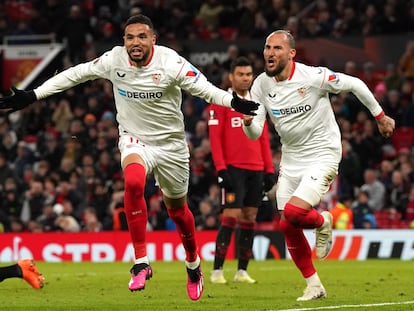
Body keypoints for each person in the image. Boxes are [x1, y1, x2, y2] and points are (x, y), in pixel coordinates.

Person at [0, 14, 259, 301]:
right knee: (134, 182)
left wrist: (233, 102)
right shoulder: (114, 60)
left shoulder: (171, 63)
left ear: (153, 39)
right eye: (129, 37)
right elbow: (76, 73)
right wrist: (34, 95)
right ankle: (141, 262)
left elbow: (207, 90)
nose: (135, 43)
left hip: (171, 147)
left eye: (141, 37)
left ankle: (193, 264)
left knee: (178, 212)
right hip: (135, 139)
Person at [242, 30, 395, 301]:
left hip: (322, 153)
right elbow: (256, 133)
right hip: (292, 158)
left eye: (277, 48)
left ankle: (323, 220)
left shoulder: (313, 77)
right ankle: (314, 285)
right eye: (267, 47)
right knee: (286, 225)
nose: (269, 53)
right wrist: (247, 123)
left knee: (293, 212)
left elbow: (356, 84)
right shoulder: (261, 85)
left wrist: (380, 117)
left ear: (291, 53)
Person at [207, 56, 275, 284]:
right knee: (230, 217)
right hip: (233, 169)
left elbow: (264, 138)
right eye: (241, 74)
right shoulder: (222, 102)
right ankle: (217, 271)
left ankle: (242, 271)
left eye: (248, 74)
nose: (245, 78)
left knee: (250, 217)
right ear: (231, 77)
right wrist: (220, 169)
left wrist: (268, 169)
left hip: (256, 169)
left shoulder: (258, 102)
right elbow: (215, 139)